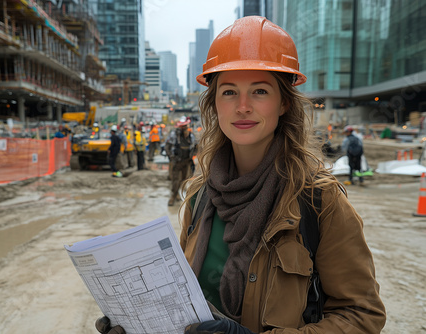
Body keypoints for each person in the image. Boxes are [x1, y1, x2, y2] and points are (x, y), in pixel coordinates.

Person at [95, 16, 385, 334]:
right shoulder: (200, 194)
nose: (242, 106)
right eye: (229, 92)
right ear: (214, 103)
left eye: (259, 91)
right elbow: (182, 296)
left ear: (284, 103)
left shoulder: (319, 200)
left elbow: (362, 315)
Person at [165, 116, 197, 206]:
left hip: (186, 162)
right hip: (176, 161)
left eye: (185, 126)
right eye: (183, 127)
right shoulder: (174, 135)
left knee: (183, 180)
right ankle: (173, 196)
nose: (184, 128)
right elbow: (167, 146)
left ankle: (178, 193)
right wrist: (171, 157)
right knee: (175, 180)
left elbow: (196, 146)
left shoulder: (191, 136)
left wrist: (192, 155)